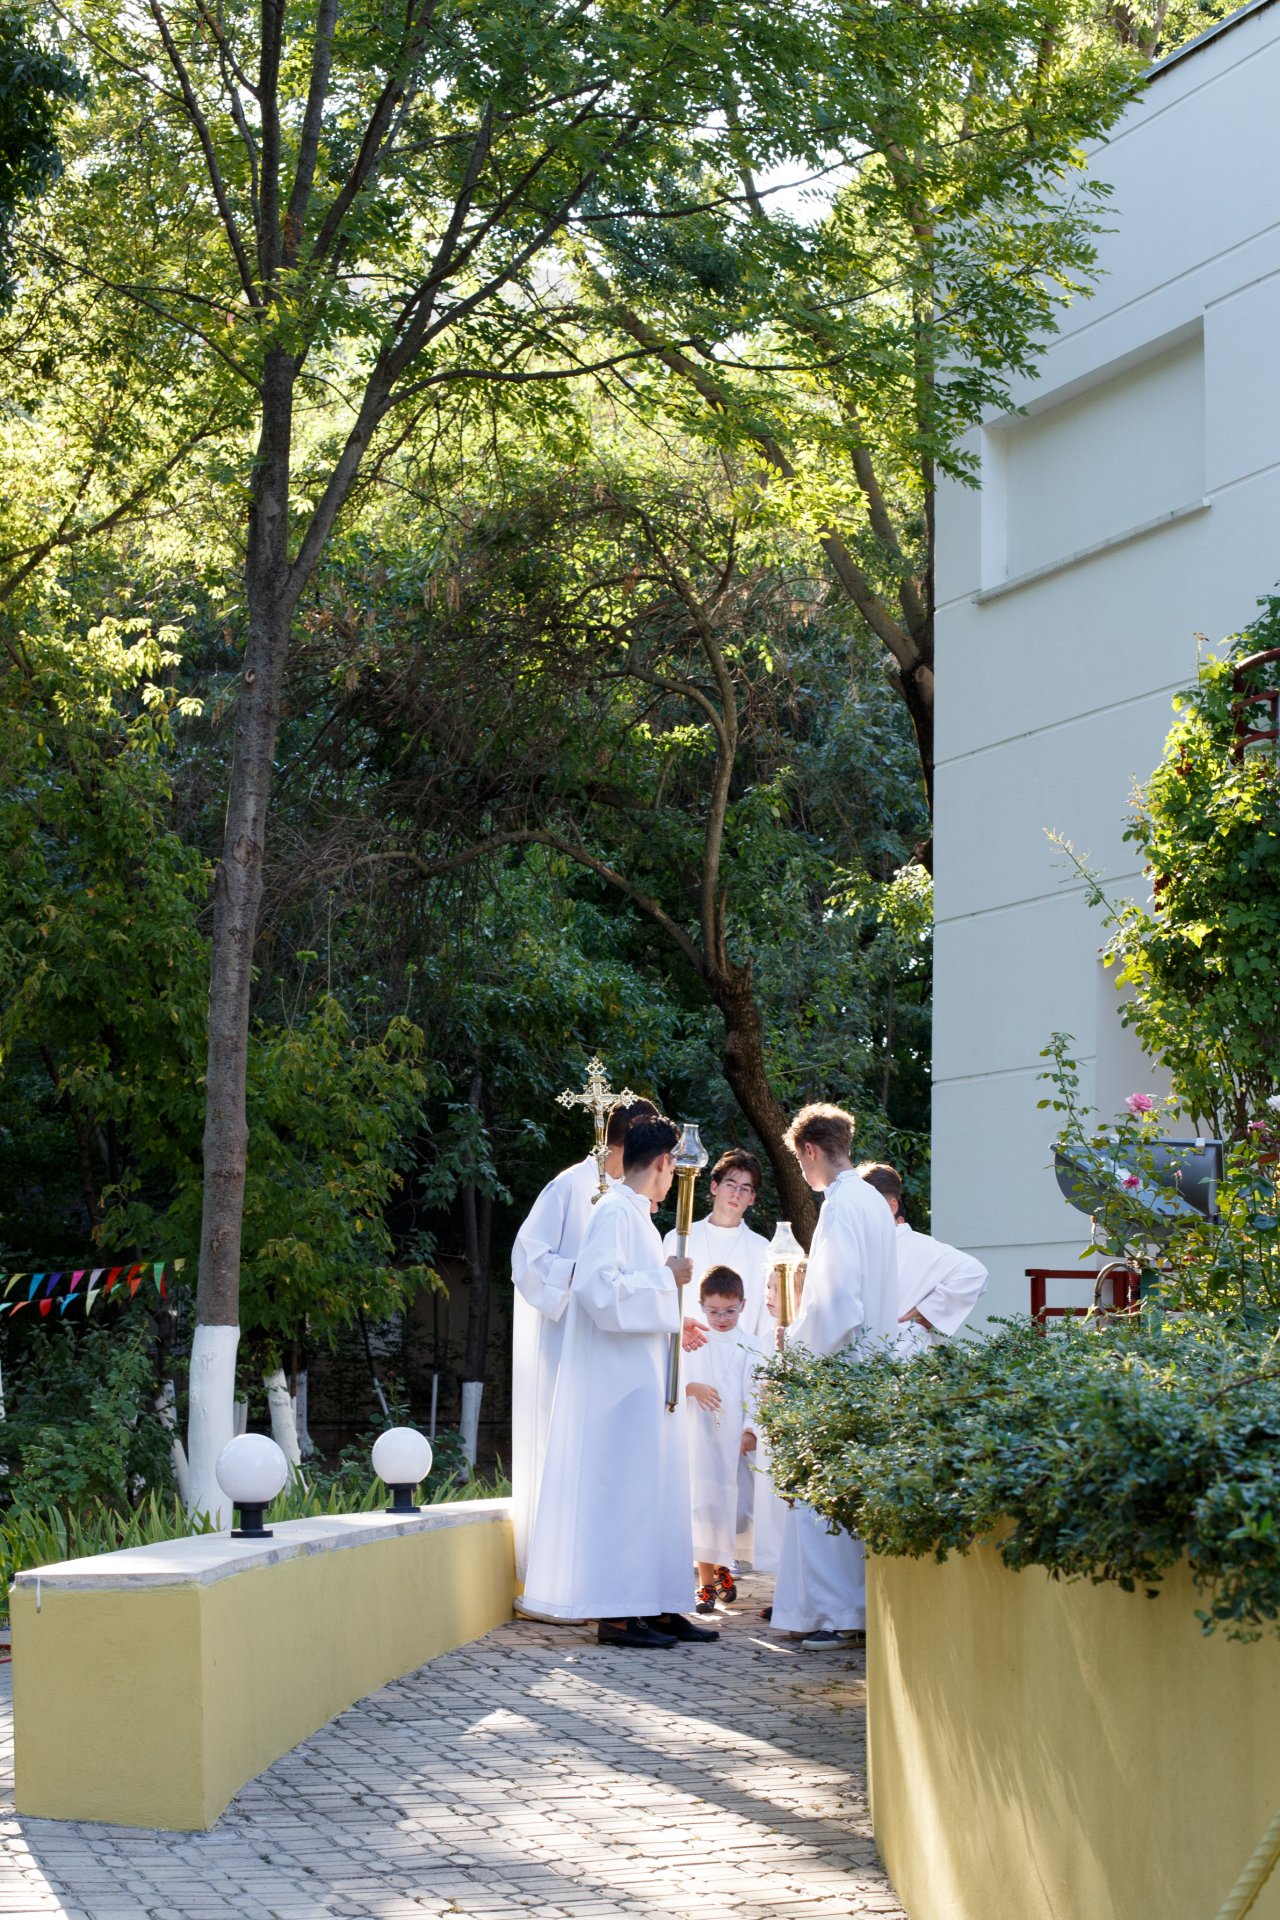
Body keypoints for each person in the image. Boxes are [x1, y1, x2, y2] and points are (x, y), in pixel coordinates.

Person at [521, 1117, 720, 1649]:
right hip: (618, 1385)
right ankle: (617, 1614)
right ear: (663, 1163)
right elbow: (597, 1289)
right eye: (674, 1168)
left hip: (642, 1377)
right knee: (627, 1495)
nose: (674, 1178)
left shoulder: (638, 1218)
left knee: (657, 1493)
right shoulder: (613, 1212)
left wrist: (676, 1316)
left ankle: (658, 1603)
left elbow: (634, 1293)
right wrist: (665, 1278)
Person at [509, 1096, 656, 1584]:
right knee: (566, 1448)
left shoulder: (632, 1198)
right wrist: (585, 1273)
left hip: (613, 1346)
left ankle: (596, 1577)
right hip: (566, 1334)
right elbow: (527, 1259)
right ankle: (555, 1575)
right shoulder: (570, 1186)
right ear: (628, 1136)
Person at [771, 1103, 898, 1651]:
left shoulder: (842, 1204)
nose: (801, 1171)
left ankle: (839, 1615)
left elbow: (837, 1300)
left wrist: (797, 1348)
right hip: (874, 1360)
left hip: (840, 1365)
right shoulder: (870, 1201)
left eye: (799, 1161)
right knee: (845, 1497)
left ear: (810, 1150)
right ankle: (839, 1611)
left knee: (822, 1498)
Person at [683, 1266, 764, 1612]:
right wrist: (691, 1387)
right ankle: (705, 1586)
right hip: (700, 1439)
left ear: (743, 1305)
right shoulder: (692, 1341)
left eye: (729, 1311)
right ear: (701, 1306)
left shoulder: (752, 1346)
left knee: (735, 1511)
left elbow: (758, 1390)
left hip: (735, 1441)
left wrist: (750, 1430)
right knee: (704, 1510)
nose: (721, 1319)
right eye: (713, 1311)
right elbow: (673, 1378)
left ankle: (723, 1568)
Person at [857, 1162, 989, 1350]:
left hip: (909, 1355)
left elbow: (975, 1272)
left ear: (892, 1206)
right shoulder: (861, 1248)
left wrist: (925, 1315)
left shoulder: (921, 1246)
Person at [662, 1149, 773, 1339]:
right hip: (687, 1349)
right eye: (730, 1184)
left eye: (745, 1188)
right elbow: (662, 1300)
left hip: (742, 1353)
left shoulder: (763, 1249)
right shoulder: (679, 1238)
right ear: (715, 1187)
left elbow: (766, 1318)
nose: (736, 1194)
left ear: (752, 1198)